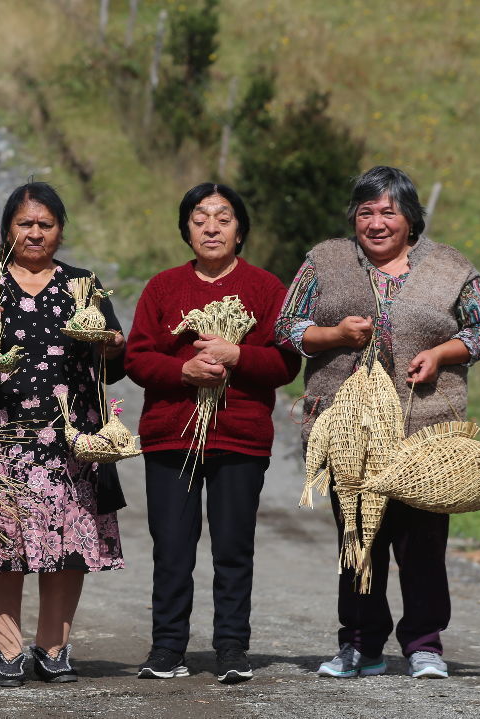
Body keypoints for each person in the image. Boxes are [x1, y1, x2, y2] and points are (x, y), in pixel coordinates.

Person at [275, 165, 480, 680]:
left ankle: (424, 644)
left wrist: (444, 351)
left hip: (427, 429)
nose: (376, 222)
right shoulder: (324, 261)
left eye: (388, 211)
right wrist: (332, 335)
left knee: (423, 545)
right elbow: (286, 326)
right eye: (365, 211)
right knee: (359, 540)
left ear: (410, 218)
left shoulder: (448, 266)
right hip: (346, 427)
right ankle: (359, 644)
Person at [0, 181, 127, 687]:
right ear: (7, 230)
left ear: (60, 231)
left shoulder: (82, 283)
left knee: (66, 546)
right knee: (3, 546)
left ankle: (53, 648)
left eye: (46, 224)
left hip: (69, 440)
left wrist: (110, 345)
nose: (36, 232)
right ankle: (6, 650)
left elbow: (116, 359)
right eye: (25, 223)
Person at [124, 183, 300, 683]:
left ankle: (231, 649)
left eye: (223, 218)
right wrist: (185, 373)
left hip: (239, 436)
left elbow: (287, 362)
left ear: (240, 230)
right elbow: (137, 357)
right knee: (172, 547)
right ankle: (167, 649)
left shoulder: (266, 288)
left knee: (232, 547)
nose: (211, 227)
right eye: (199, 218)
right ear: (186, 229)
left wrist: (236, 355)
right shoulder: (162, 287)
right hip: (171, 436)